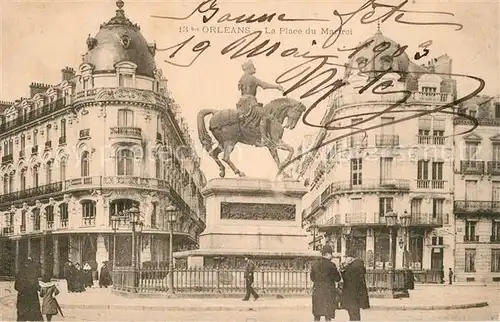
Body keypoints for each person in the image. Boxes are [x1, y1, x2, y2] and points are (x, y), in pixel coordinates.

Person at [236, 60, 284, 146]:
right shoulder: (251, 77)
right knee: (264, 116)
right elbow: (264, 85)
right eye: (253, 67)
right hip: (250, 102)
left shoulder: (242, 79)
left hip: (241, 103)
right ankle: (263, 139)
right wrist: (277, 87)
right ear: (249, 69)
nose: (254, 69)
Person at [310, 245, 341, 321]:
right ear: (327, 254)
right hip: (328, 293)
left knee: (317, 315)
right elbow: (337, 278)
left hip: (317, 292)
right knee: (328, 315)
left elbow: (312, 278)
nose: (332, 255)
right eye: (331, 253)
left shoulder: (315, 264)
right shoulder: (331, 265)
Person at [340, 251, 370, 321]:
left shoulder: (353, 267)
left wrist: (343, 271)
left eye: (346, 258)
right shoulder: (358, 265)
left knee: (353, 313)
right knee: (355, 312)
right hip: (357, 293)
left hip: (352, 293)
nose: (345, 260)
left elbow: (347, 279)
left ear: (351, 258)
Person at [15, 257, 43, 322]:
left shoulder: (19, 274)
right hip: (32, 298)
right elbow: (37, 286)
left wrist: (22, 289)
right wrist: (39, 289)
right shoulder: (33, 274)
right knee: (33, 316)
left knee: (22, 316)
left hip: (22, 298)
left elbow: (16, 286)